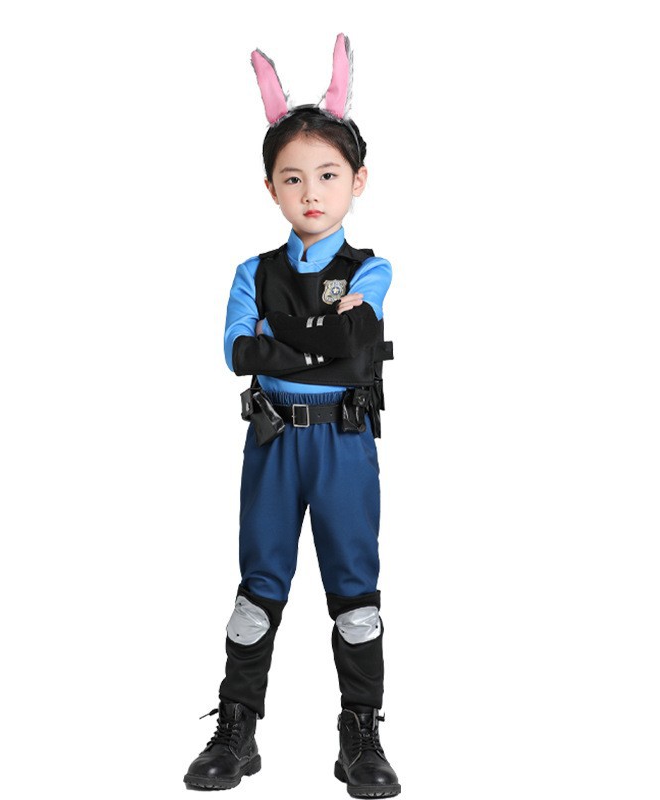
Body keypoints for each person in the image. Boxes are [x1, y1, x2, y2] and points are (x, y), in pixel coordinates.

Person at [183, 35, 401, 798]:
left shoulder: (371, 269)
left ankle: (360, 735)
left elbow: (353, 346)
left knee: (355, 596)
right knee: (257, 593)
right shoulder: (253, 272)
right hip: (275, 443)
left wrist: (289, 342)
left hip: (343, 442)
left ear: (357, 180)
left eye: (328, 175)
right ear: (271, 186)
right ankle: (237, 728)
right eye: (293, 177)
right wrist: (315, 342)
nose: (312, 192)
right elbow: (239, 352)